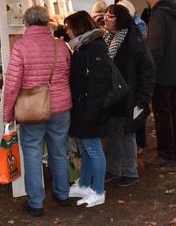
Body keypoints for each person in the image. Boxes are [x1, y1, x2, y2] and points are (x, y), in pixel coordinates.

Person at [3, 6, 72, 217]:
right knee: (59, 151)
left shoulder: (21, 46)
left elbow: (13, 84)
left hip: (32, 108)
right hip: (60, 106)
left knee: (32, 154)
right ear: (46, 22)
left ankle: (36, 202)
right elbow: (67, 74)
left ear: (26, 23)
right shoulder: (61, 46)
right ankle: (62, 194)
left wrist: (7, 114)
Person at [65, 11, 113, 207]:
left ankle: (99, 190)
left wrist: (92, 110)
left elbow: (99, 82)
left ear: (78, 27)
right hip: (83, 106)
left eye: (69, 27)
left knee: (93, 148)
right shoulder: (85, 46)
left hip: (90, 108)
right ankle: (85, 184)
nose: (67, 31)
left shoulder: (93, 47)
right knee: (86, 147)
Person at [103, 4, 155, 187]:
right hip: (114, 95)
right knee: (113, 132)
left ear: (120, 19)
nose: (105, 19)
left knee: (127, 134)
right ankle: (113, 168)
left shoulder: (133, 40)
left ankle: (130, 172)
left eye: (110, 16)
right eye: (106, 15)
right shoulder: (108, 38)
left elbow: (147, 70)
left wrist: (142, 98)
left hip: (129, 96)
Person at [143, 0, 176, 166]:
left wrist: (150, 73)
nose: (147, 1)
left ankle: (167, 153)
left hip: (162, 74)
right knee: (174, 110)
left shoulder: (158, 15)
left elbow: (154, 48)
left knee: (163, 112)